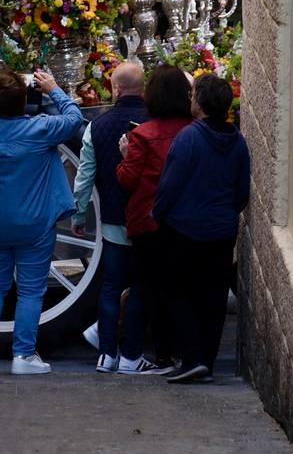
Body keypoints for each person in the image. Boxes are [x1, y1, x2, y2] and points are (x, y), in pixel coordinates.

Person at [0, 69, 83, 375]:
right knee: (31, 291)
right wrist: (53, 88)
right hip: (33, 221)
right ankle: (23, 355)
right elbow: (74, 118)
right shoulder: (41, 128)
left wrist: (0, 91)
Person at [153, 73, 250, 384]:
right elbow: (241, 192)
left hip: (185, 227)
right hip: (222, 230)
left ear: (200, 103)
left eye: (193, 95)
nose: (189, 99)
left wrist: (159, 212)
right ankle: (205, 360)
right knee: (213, 295)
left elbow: (171, 183)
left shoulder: (189, 137)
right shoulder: (237, 141)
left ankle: (192, 357)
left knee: (174, 290)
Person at [70, 62, 163, 375]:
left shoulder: (97, 126)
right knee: (140, 287)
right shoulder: (155, 124)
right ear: (143, 88)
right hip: (148, 221)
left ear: (115, 89)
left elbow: (85, 176)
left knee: (110, 287)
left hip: (112, 219)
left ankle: (107, 354)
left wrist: (80, 213)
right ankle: (131, 355)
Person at [115, 63, 195, 374]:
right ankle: (171, 352)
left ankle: (132, 353)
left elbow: (127, 179)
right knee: (176, 288)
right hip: (181, 221)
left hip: (145, 221)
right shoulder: (192, 131)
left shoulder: (143, 134)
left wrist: (124, 158)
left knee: (145, 287)